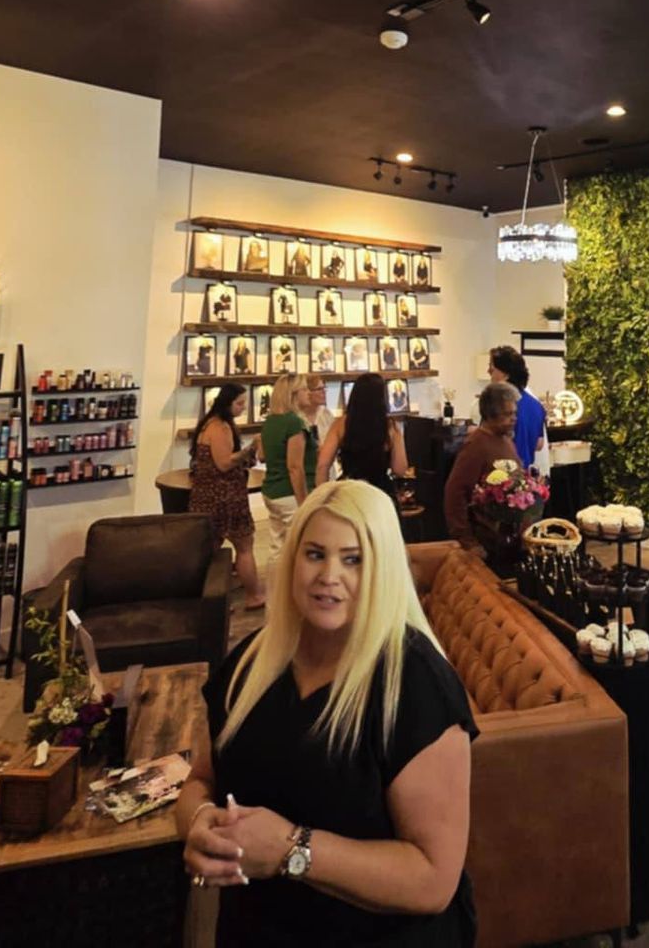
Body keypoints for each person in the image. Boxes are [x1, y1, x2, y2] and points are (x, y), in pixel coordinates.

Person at [182, 480, 477, 944]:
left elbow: (433, 880)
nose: (329, 575)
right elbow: (201, 780)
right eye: (316, 554)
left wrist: (290, 850)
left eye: (353, 559)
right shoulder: (252, 664)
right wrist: (199, 823)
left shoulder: (416, 686)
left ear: (382, 569)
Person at [193, 383, 266, 609]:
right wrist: (251, 447)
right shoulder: (219, 427)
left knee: (210, 549)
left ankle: (208, 600)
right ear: (227, 402)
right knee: (244, 546)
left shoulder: (209, 424)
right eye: (239, 403)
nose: (243, 407)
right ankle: (254, 595)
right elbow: (224, 463)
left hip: (208, 495)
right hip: (225, 496)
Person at [443, 383, 519, 549]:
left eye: (515, 413)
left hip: (507, 536)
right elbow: (455, 493)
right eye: (507, 414)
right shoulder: (476, 445)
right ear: (490, 414)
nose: (514, 418)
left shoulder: (506, 440)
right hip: (486, 539)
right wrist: (467, 540)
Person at [316, 372, 411, 500]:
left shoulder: (340, 424)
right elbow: (399, 469)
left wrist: (322, 497)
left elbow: (322, 465)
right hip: (379, 493)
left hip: (349, 491)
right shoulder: (390, 427)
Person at [261, 374, 320, 560]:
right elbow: (295, 467)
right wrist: (303, 501)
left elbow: (262, 455)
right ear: (293, 394)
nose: (308, 393)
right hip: (289, 493)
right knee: (298, 548)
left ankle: (274, 578)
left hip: (272, 490)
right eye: (304, 389)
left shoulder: (271, 421)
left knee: (278, 548)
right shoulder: (294, 422)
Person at [487, 346, 546, 471]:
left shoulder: (499, 404)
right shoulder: (536, 405)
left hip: (502, 473)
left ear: (506, 374)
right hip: (526, 475)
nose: (489, 372)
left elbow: (489, 441)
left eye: (492, 369)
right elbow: (539, 444)